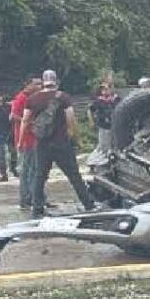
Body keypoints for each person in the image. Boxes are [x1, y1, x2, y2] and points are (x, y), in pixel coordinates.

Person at [22, 69, 95, 218]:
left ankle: (37, 209)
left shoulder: (32, 99)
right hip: (61, 143)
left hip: (41, 144)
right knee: (74, 175)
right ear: (56, 81)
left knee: (40, 176)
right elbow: (71, 119)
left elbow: (25, 120)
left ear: (43, 81)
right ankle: (88, 204)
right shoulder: (63, 97)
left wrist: (20, 140)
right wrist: (76, 138)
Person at [12, 78, 44, 210]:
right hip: (26, 139)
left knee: (35, 170)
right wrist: (28, 121)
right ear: (28, 85)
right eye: (36, 84)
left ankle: (36, 197)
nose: (39, 86)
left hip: (34, 138)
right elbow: (13, 116)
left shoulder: (35, 98)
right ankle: (25, 199)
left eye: (40, 84)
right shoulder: (21, 98)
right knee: (27, 171)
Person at [88, 83, 119, 160]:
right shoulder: (98, 101)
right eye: (102, 89)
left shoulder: (115, 99)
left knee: (114, 145)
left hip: (114, 125)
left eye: (106, 89)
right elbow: (90, 110)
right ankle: (96, 160)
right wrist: (91, 121)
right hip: (103, 125)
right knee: (103, 145)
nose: (104, 91)